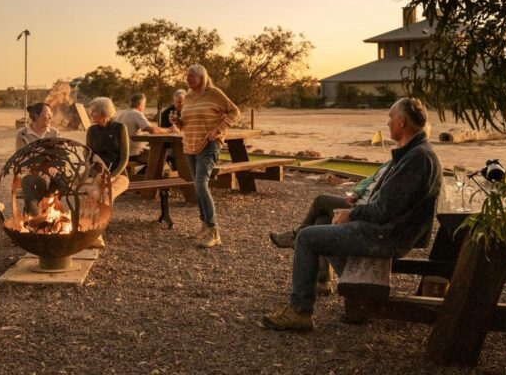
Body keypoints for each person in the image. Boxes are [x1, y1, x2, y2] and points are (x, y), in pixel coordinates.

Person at [261, 98, 441, 331]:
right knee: (324, 219)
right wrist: (353, 209)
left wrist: (352, 214)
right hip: (389, 230)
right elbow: (387, 204)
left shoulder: (417, 158)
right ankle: (341, 290)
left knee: (306, 238)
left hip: (386, 236)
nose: (387, 123)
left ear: (401, 122)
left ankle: (300, 311)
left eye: (390, 118)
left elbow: (384, 210)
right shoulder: (416, 152)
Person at [268, 160, 391, 294]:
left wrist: (356, 208)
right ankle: (322, 281)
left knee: (321, 201)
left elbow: (383, 204)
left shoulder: (400, 169)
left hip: (363, 211)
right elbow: (367, 181)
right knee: (322, 220)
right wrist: (356, 193)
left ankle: (296, 236)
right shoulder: (389, 163)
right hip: (358, 202)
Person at [176, 65, 240, 249]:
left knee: (200, 184)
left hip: (209, 145)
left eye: (191, 76)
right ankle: (204, 225)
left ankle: (214, 232)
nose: (187, 79)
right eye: (187, 76)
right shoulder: (188, 97)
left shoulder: (214, 93)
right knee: (197, 186)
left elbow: (234, 112)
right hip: (190, 145)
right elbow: (187, 123)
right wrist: (178, 122)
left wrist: (219, 130)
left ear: (201, 77)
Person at [85, 98, 131, 248]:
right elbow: (88, 157)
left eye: (94, 110)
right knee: (93, 193)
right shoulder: (91, 131)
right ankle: (91, 234)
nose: (91, 113)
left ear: (104, 112)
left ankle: (96, 233)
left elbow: (124, 158)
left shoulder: (120, 128)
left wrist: (114, 175)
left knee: (106, 195)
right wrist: (95, 174)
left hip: (119, 175)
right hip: (98, 174)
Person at [115, 93, 175, 163]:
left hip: (121, 153)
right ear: (140, 104)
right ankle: (149, 171)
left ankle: (147, 170)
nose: (144, 107)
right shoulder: (137, 113)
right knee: (160, 156)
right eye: (144, 104)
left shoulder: (122, 113)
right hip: (133, 153)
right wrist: (170, 129)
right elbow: (152, 130)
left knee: (154, 154)